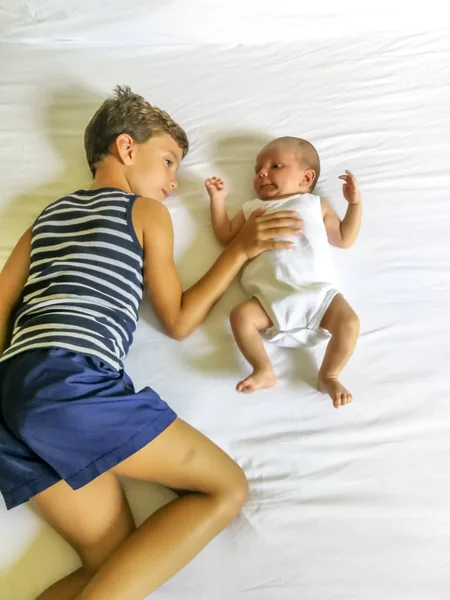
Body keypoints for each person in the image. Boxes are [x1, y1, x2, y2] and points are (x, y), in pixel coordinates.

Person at [0, 87, 303, 600]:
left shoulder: (46, 217)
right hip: (74, 382)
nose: (172, 181)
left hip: (11, 397)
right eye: (167, 162)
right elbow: (180, 321)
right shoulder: (143, 212)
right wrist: (241, 249)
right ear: (125, 149)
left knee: (110, 562)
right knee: (226, 488)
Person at [206, 136, 361, 408]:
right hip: (270, 299)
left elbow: (344, 239)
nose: (262, 173)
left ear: (306, 177)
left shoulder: (314, 204)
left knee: (350, 323)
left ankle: (329, 374)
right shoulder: (253, 208)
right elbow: (225, 236)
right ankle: (263, 368)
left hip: (319, 297)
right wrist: (217, 200)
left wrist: (354, 205)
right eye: (258, 170)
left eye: (275, 166)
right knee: (240, 316)